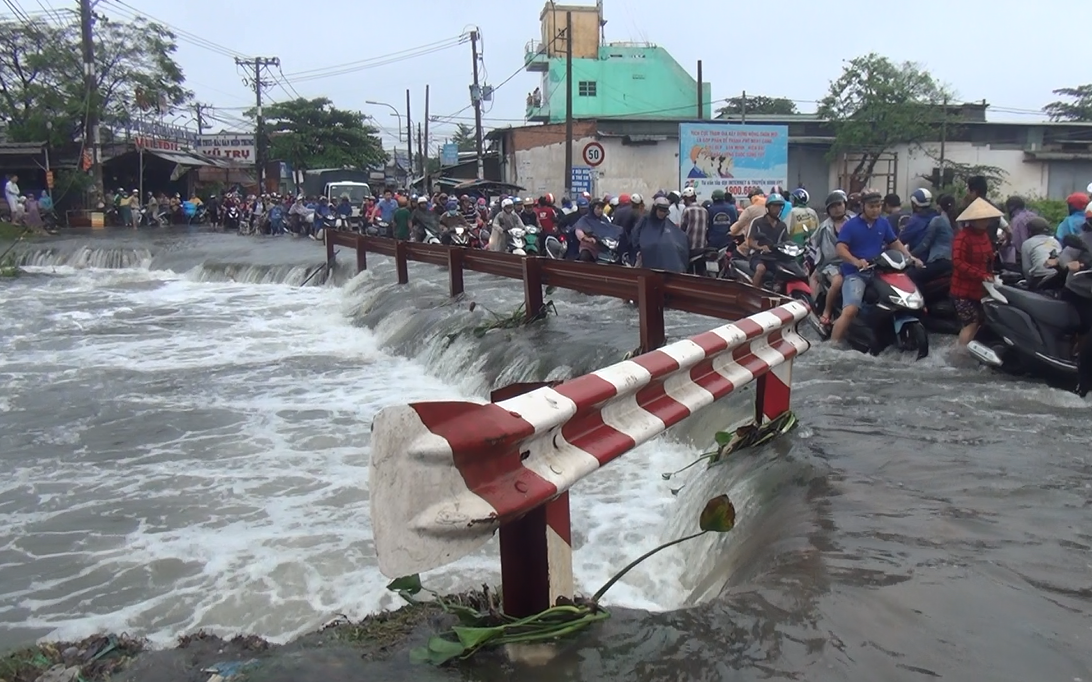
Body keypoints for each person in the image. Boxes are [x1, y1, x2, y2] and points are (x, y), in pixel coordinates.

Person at [830, 189, 921, 344]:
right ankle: (832, 345)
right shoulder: (851, 225)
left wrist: (910, 257)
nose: (875, 210)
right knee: (850, 310)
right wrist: (856, 261)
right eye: (872, 206)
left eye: (878, 206)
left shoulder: (883, 223)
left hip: (879, 272)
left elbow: (894, 242)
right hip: (856, 274)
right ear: (863, 206)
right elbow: (840, 248)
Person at [950, 198, 1003, 346]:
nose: (986, 222)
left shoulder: (984, 235)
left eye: (987, 219)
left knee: (980, 322)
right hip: (962, 290)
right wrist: (981, 274)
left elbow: (989, 258)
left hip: (981, 288)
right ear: (973, 220)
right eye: (982, 219)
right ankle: (959, 355)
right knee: (971, 323)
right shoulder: (963, 237)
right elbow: (958, 262)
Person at [809, 190, 851, 327]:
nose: (837, 209)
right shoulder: (824, 228)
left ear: (845, 205)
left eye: (839, 204)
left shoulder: (854, 222)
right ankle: (827, 311)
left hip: (855, 262)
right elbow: (827, 253)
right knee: (838, 281)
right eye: (833, 206)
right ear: (828, 210)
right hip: (832, 265)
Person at [901, 188, 953, 287]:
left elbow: (898, 240)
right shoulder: (938, 216)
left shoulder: (915, 221)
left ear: (914, 204)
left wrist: (910, 256)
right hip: (944, 261)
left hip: (924, 261)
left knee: (906, 278)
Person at [628, 195, 689, 272]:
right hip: (648, 265)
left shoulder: (668, 224)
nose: (662, 213)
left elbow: (680, 238)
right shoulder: (645, 221)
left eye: (664, 211)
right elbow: (635, 236)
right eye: (660, 210)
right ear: (655, 209)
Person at [747, 193, 790, 287]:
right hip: (758, 256)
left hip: (775, 257)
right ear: (768, 207)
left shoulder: (782, 225)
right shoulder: (757, 222)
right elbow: (750, 242)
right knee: (761, 269)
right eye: (774, 206)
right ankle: (753, 293)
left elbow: (786, 242)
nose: (777, 209)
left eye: (779, 206)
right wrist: (760, 247)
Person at [1020, 217, 1062, 286]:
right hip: (1058, 275)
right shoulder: (1055, 241)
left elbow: (1026, 269)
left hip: (1040, 277)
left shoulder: (1027, 244)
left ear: (1030, 231)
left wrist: (1029, 283)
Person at [1004, 196, 1038, 265]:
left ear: (1011, 208)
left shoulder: (1016, 220)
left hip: (1025, 257)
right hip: (1039, 253)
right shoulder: (1034, 215)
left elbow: (1018, 244)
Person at [678, 186, 708, 256]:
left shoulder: (687, 210)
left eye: (684, 199)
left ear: (686, 199)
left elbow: (682, 229)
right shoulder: (704, 210)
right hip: (702, 246)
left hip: (690, 246)